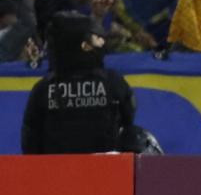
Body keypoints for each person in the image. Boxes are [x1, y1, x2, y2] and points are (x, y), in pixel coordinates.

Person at [22, 8, 135, 154]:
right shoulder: (112, 82)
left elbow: (30, 143)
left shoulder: (43, 89)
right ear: (85, 46)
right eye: (96, 38)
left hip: (55, 174)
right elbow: (128, 123)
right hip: (105, 173)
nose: (102, 41)